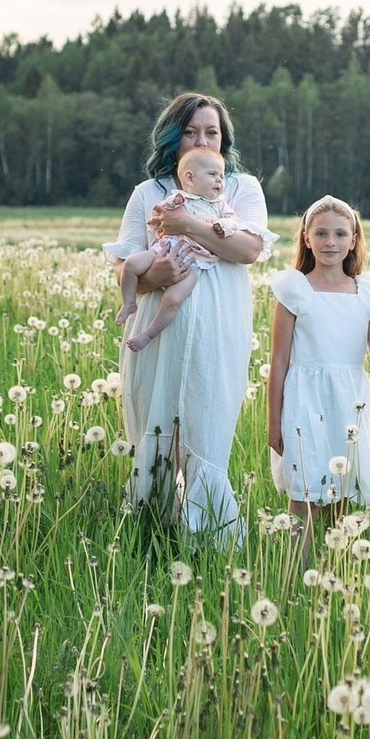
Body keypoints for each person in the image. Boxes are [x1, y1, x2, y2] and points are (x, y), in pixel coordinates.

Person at [105, 92, 274, 545]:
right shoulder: (149, 193)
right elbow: (124, 266)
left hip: (219, 328)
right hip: (158, 327)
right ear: (173, 137)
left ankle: (209, 544)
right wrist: (152, 275)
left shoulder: (240, 188)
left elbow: (248, 249)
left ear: (224, 139)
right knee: (157, 430)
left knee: (207, 427)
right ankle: (150, 539)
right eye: (191, 131)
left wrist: (187, 227)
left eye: (212, 132)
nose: (202, 139)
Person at [267, 195, 370, 561]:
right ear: (306, 238)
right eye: (320, 233)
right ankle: (293, 579)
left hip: (349, 404)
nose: (330, 242)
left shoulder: (365, 292)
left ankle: (334, 579)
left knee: (340, 495)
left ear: (353, 239)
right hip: (304, 401)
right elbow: (279, 361)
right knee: (303, 493)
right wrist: (274, 423)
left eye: (339, 234)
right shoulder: (294, 290)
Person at [114, 147, 275, 353]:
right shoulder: (175, 197)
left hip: (193, 263)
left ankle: (148, 334)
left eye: (221, 176)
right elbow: (159, 216)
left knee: (172, 300)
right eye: (212, 175)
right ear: (190, 178)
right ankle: (128, 303)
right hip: (161, 252)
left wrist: (221, 227)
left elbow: (233, 223)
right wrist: (158, 221)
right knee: (131, 264)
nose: (219, 181)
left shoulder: (220, 205)